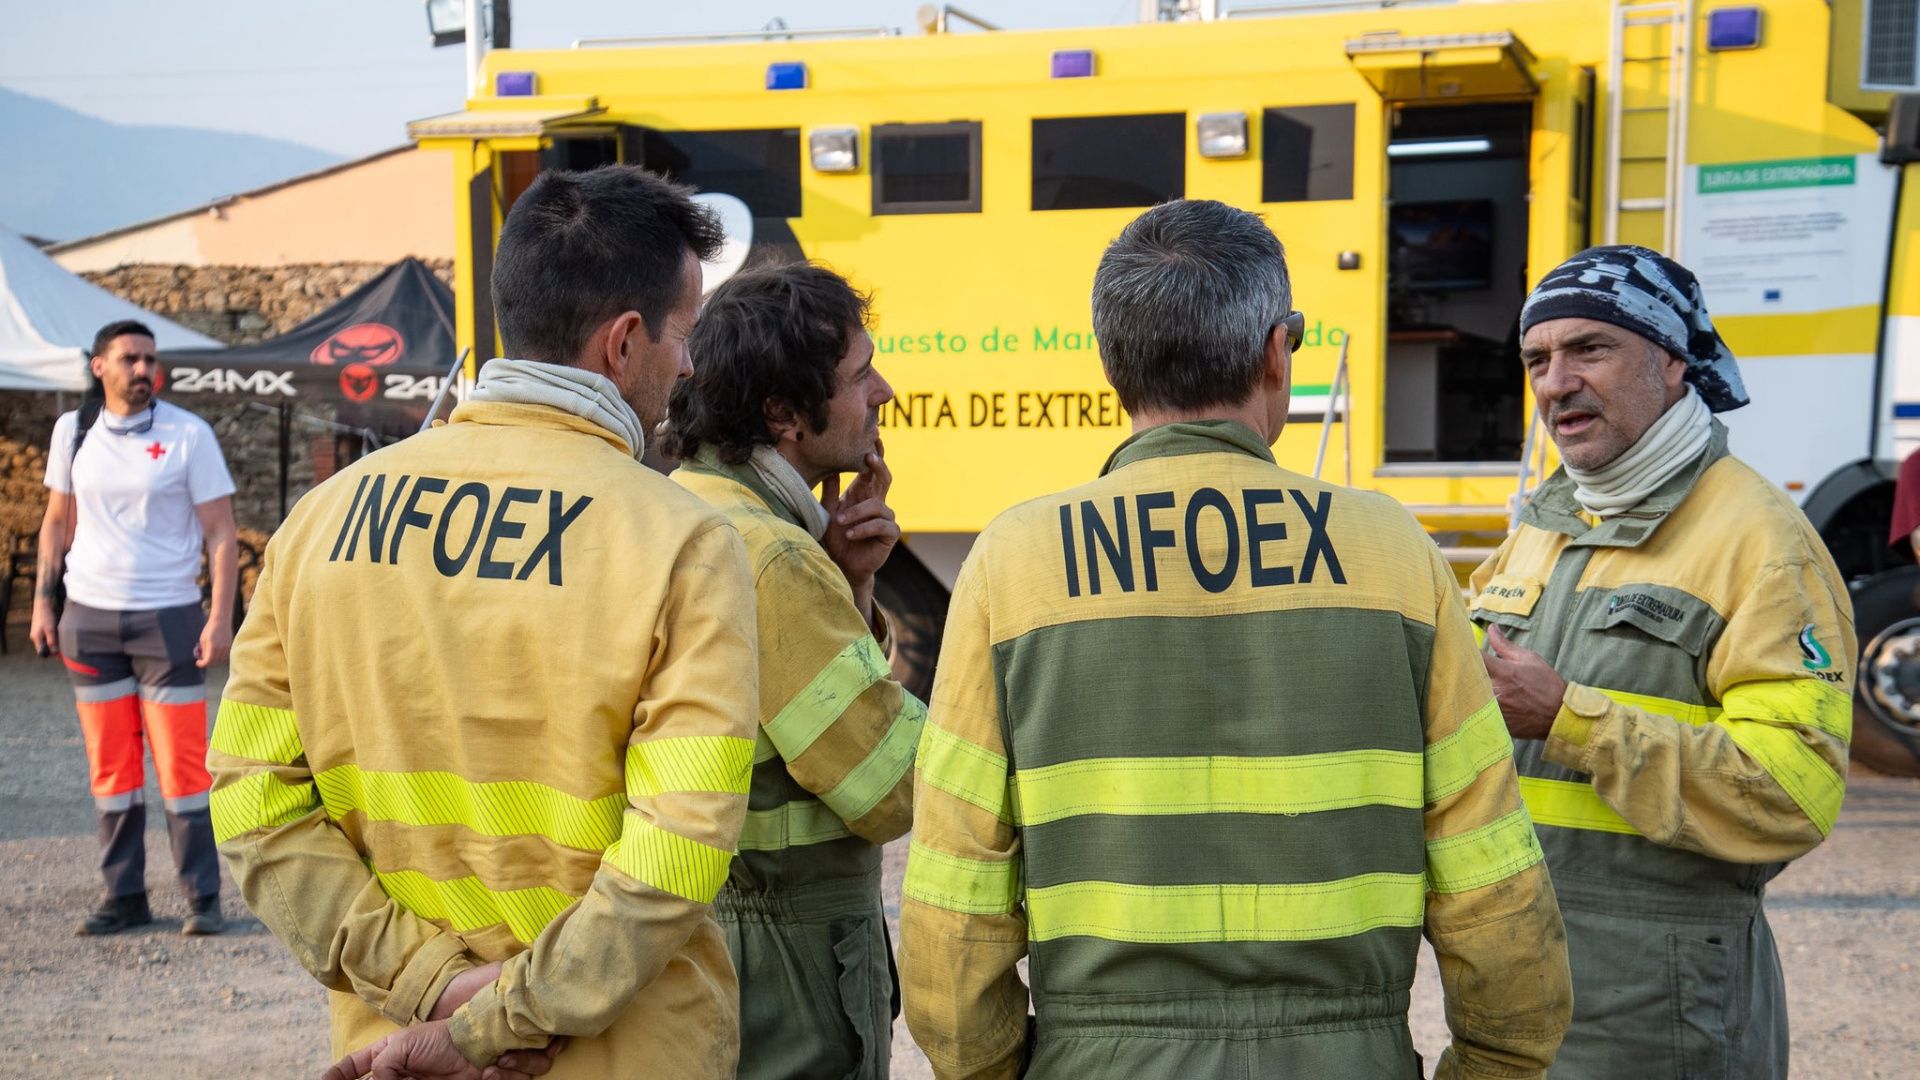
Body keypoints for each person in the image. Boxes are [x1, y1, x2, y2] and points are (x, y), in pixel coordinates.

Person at [898, 199, 1571, 1080]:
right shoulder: (1393, 555)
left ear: (1113, 363)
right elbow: (1493, 880)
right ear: (1275, 353)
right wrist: (1492, 1065)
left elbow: (954, 902)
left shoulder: (1013, 563)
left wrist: (1001, 1067)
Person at [209, 165, 761, 1080]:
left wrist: (432, 986)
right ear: (625, 342)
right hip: (612, 1053)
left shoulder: (319, 521)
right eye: (684, 333)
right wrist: (505, 1018)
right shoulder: (681, 542)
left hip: (398, 1048)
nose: (691, 364)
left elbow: (249, 799)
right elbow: (680, 845)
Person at [1471, 245, 1855, 1079]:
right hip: (1517, 995)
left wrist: (1572, 721)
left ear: (1672, 360)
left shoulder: (1763, 544)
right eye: (1537, 359)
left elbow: (1794, 792)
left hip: (1664, 1011)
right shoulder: (1545, 527)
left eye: (1590, 349)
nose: (1556, 382)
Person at [662, 263, 926, 1080]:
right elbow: (890, 786)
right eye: (859, 375)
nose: (883, 391)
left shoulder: (690, 503)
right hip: (786, 974)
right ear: (781, 413)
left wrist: (847, 585)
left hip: (725, 940)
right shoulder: (772, 556)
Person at [30, 319, 238, 938]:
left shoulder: (188, 434)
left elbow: (222, 534)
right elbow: (56, 521)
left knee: (182, 767)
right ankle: (124, 897)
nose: (143, 368)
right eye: (130, 358)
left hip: (168, 619)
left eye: (150, 359)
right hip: (89, 620)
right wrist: (43, 604)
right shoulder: (72, 431)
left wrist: (219, 618)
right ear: (100, 366)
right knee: (111, 768)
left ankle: (202, 897)